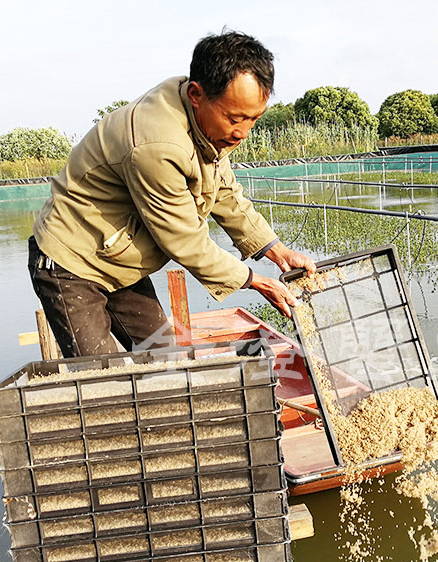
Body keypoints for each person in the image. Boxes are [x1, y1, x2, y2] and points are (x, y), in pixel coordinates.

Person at [28, 31, 315, 358]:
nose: (242, 133)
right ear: (196, 93)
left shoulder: (207, 125)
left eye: (253, 119)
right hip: (71, 264)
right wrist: (253, 280)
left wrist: (276, 251)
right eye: (235, 119)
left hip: (118, 260)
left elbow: (224, 191)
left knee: (167, 359)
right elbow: (185, 241)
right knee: (102, 383)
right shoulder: (157, 144)